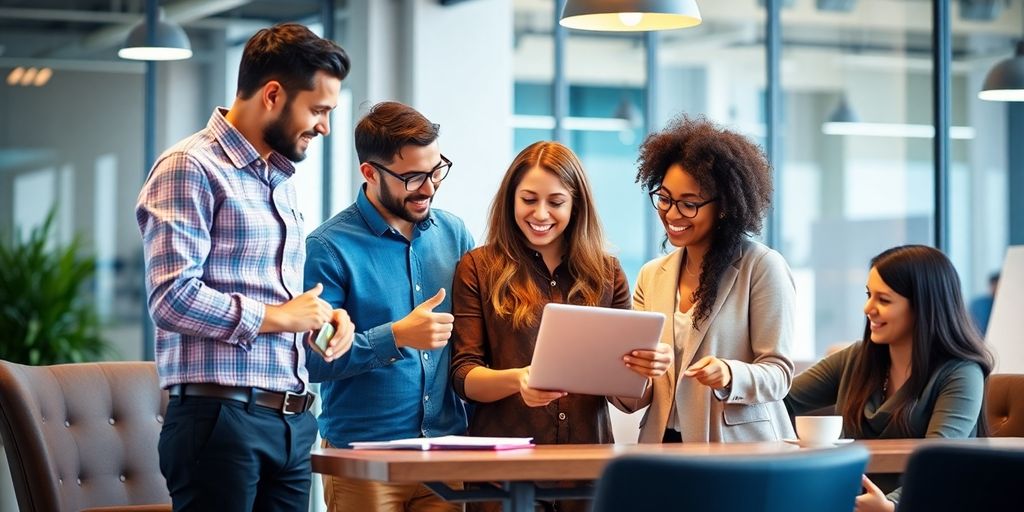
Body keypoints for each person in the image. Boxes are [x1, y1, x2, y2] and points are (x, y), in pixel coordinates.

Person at [136, 23, 354, 511]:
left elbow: (275, 294)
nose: (325, 127)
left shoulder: (280, 180)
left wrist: (321, 318)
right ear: (273, 95)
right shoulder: (189, 167)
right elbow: (172, 298)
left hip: (293, 422)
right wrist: (281, 317)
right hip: (220, 420)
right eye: (318, 110)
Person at [449, 141, 669, 512]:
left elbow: (629, 400)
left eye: (555, 202)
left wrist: (646, 372)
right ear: (510, 201)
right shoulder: (478, 267)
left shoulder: (607, 273)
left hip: (587, 474)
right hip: (503, 476)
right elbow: (463, 376)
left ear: (575, 205)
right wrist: (518, 380)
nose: (540, 213)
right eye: (529, 199)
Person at [304, 101, 473, 512]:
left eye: (436, 171)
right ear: (370, 173)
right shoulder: (328, 248)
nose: (429, 187)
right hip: (364, 458)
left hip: (444, 454)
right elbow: (313, 359)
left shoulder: (454, 233)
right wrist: (395, 336)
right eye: (413, 177)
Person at [612, 115, 797, 444]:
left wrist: (730, 373)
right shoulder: (652, 275)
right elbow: (640, 393)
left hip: (737, 446)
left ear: (723, 207)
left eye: (689, 204)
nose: (671, 214)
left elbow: (780, 374)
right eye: (665, 198)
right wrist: (635, 374)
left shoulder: (763, 267)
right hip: (662, 442)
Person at [785, 245, 993, 512]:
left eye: (883, 300)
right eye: (869, 295)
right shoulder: (857, 358)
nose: (867, 308)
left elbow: (937, 465)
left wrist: (891, 506)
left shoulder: (961, 373)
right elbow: (779, 401)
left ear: (923, 306)